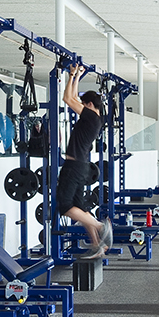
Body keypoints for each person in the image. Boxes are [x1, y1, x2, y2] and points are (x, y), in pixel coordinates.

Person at [57, 64, 106, 256]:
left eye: (84, 105)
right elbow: (75, 98)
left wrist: (71, 76)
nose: (81, 107)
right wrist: (76, 75)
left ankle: (99, 226)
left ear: (90, 106)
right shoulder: (95, 119)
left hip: (74, 166)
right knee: (79, 208)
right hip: (81, 166)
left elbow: (67, 99)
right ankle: (98, 246)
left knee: (66, 206)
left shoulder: (92, 117)